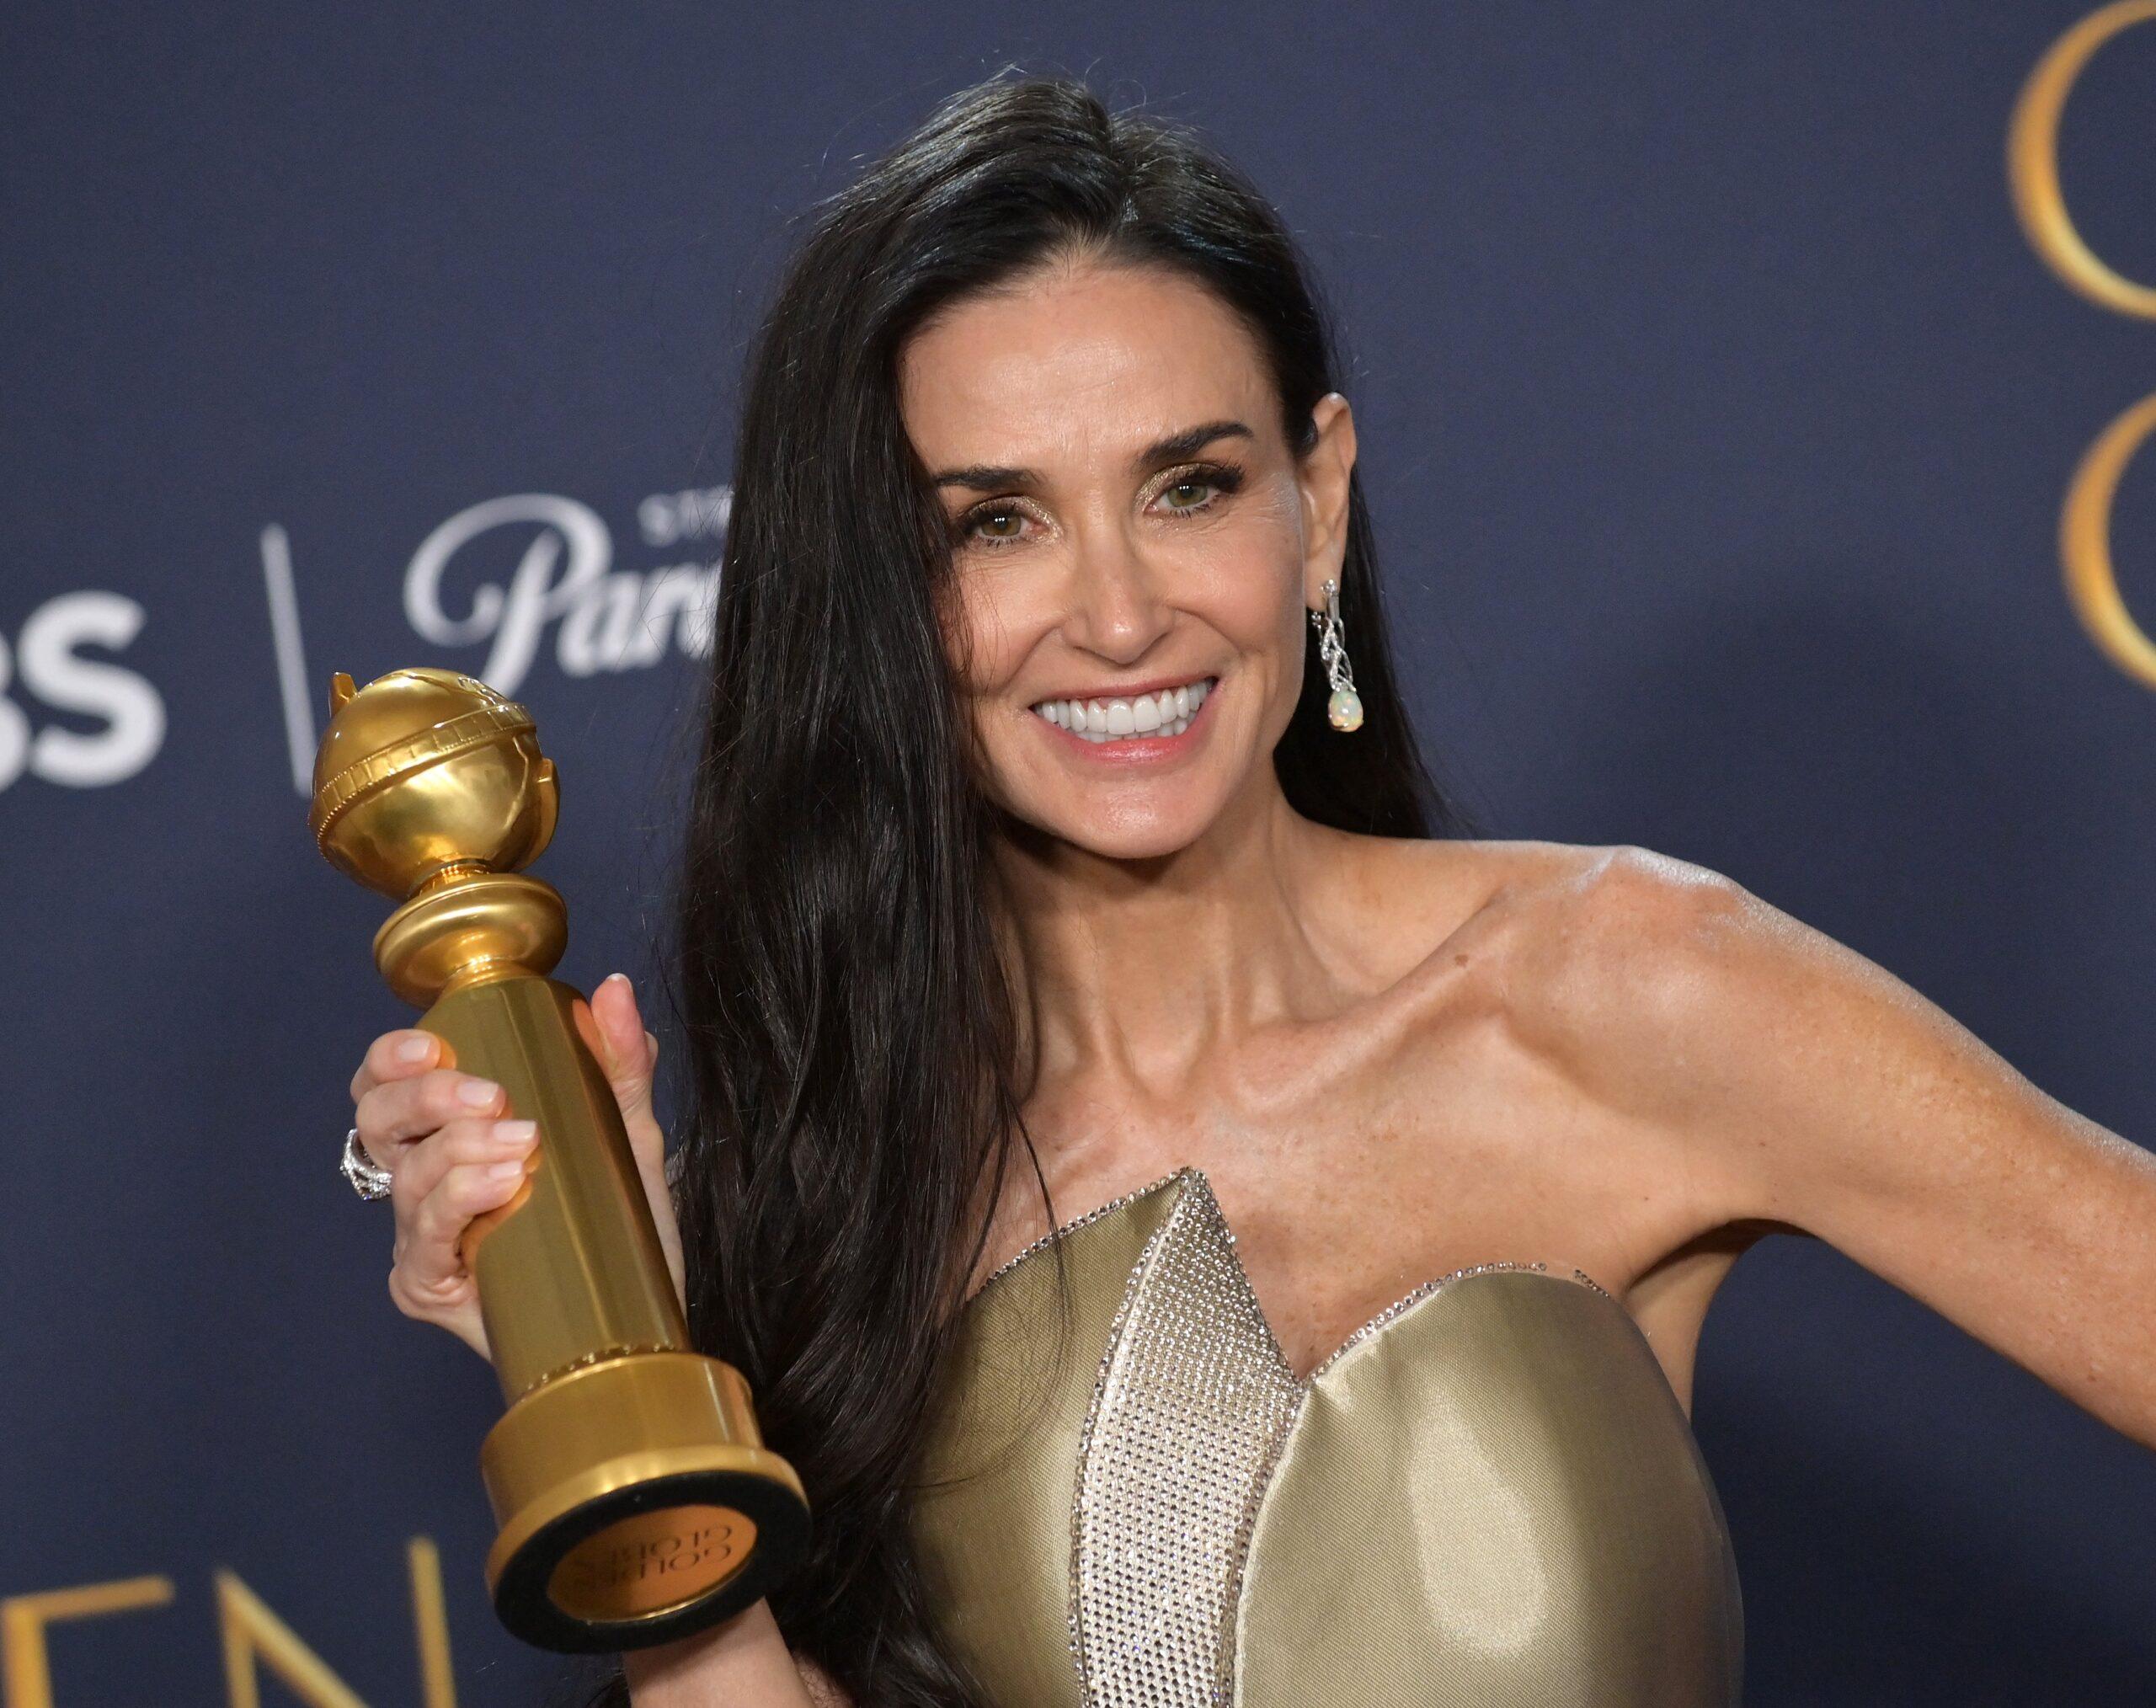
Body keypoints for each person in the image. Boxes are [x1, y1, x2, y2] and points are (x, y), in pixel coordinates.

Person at [342, 72, 2156, 1708]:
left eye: (1188, 486)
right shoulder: (844, 1197)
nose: (1119, 615)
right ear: (879, 604)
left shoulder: (1621, 989)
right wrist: (623, 1371)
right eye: (993, 524)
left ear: (1320, 502)